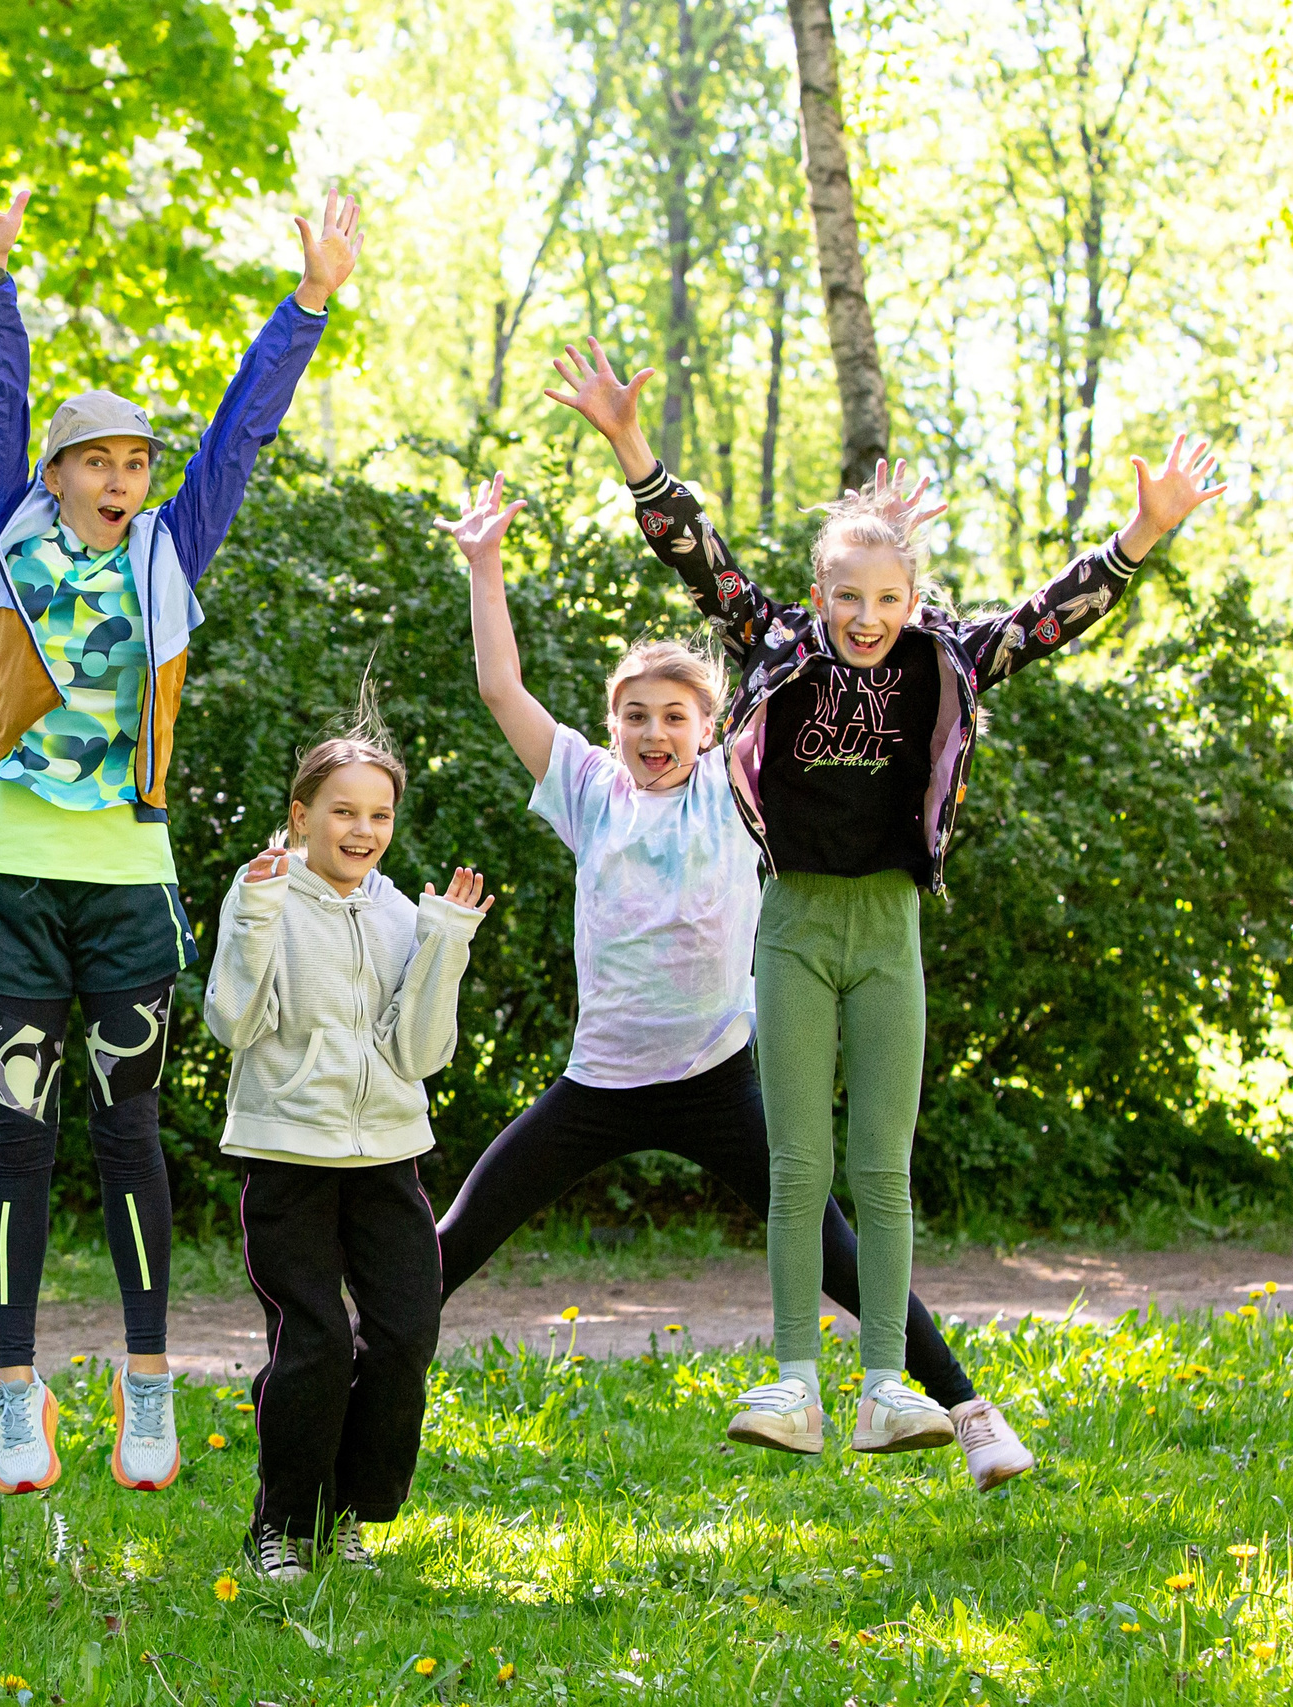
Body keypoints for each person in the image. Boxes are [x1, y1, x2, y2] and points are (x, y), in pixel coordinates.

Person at [547, 337, 1225, 1457]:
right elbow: (697, 557)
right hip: (794, 927)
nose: (867, 618)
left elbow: (1046, 618)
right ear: (820, 595)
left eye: (889, 599)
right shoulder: (779, 646)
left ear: (914, 599)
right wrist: (629, 445)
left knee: (882, 1169)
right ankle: (791, 1385)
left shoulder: (944, 659)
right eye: (849, 597)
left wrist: (1140, 535)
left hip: (888, 928)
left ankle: (883, 1391)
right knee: (797, 1167)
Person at [439, 471, 1035, 1488]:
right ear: (612, 726)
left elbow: (853, 673)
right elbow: (503, 690)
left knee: (838, 1249)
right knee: (455, 1238)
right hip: (597, 1084)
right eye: (635, 716)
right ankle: (342, 1369)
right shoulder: (587, 789)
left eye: (675, 715)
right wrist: (483, 566)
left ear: (711, 728)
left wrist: (882, 545)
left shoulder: (732, 791)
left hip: (715, 1078)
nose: (654, 733)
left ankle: (969, 1412)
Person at [0, 154, 364, 1495]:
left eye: (135, 463)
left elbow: (241, 436)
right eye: (98, 462)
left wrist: (306, 305)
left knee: (127, 1131)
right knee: (17, 1135)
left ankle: (148, 1379)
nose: (122, 478)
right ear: (56, 475)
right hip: (9, 872)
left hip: (125, 878)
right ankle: (15, 1393)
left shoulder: (169, 551)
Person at [201, 697, 489, 1580]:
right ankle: (281, 1523)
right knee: (316, 1341)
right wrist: (257, 914)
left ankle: (350, 1514)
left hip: (387, 1158)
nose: (363, 830)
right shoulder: (263, 895)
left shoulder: (400, 912)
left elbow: (420, 1053)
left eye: (379, 815)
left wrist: (445, 943)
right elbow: (232, 1022)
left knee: (405, 1334)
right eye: (343, 811)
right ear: (302, 815)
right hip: (287, 1156)